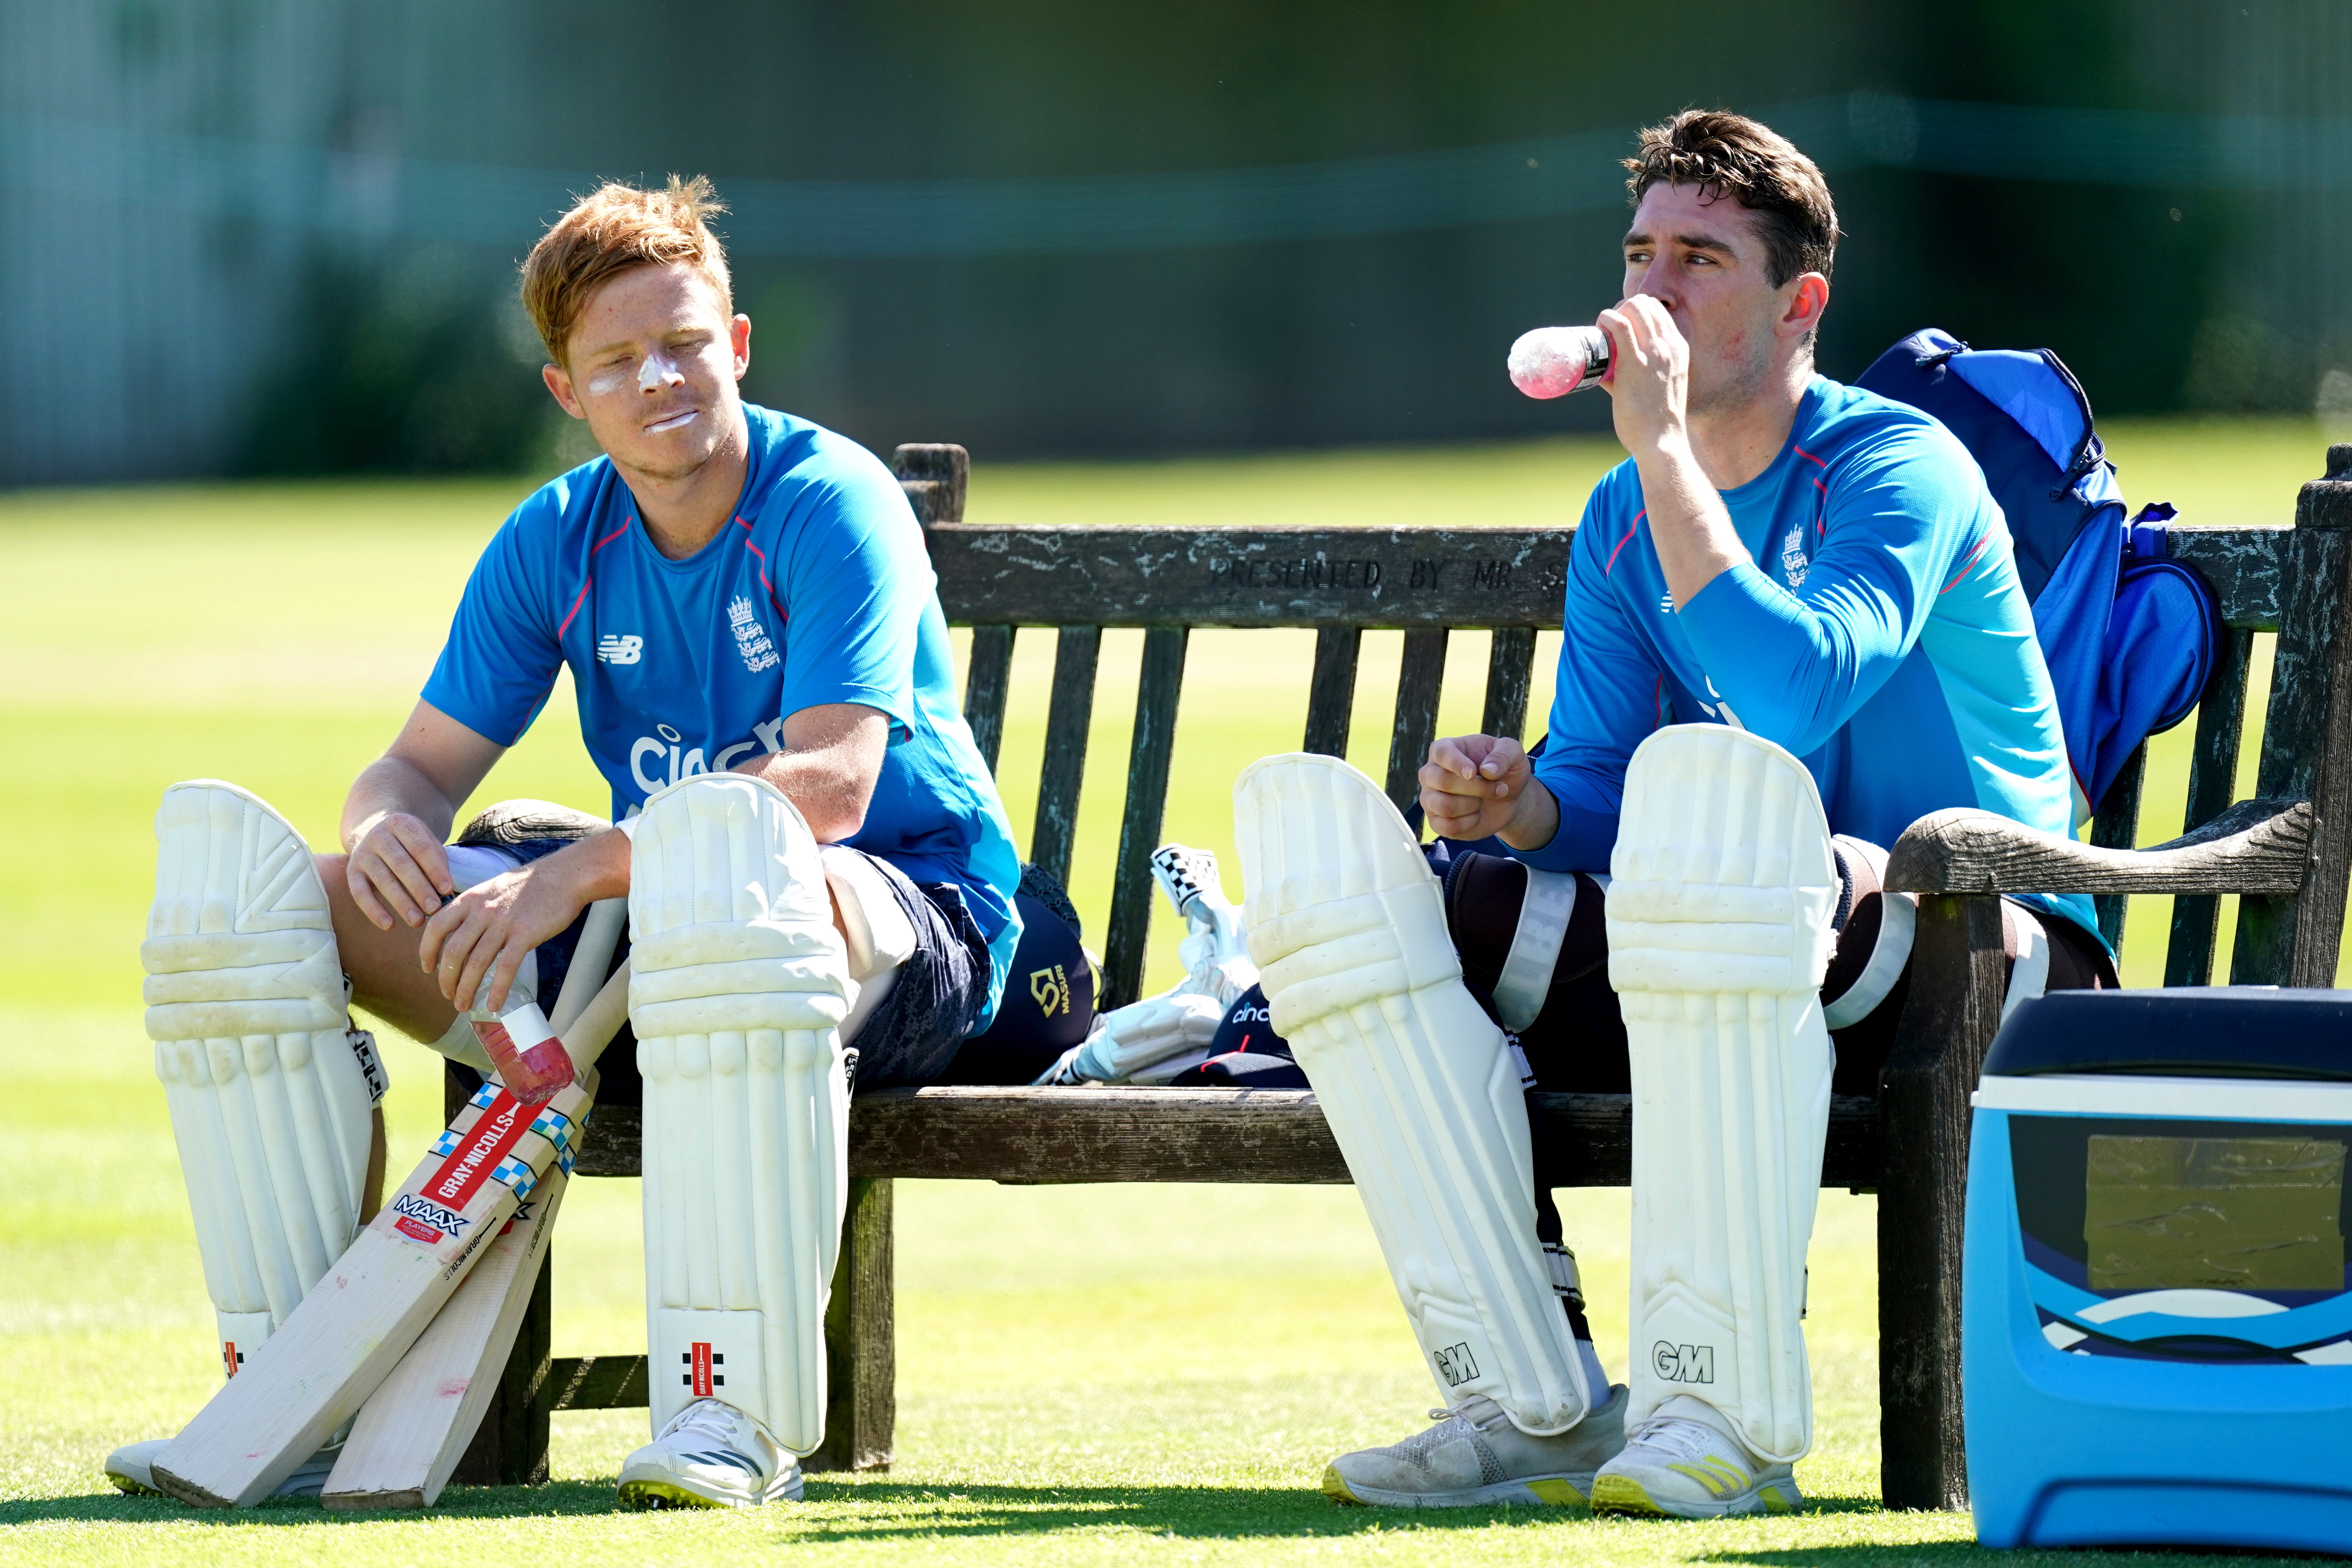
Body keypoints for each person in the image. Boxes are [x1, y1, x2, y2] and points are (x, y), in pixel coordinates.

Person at [1233, 110, 2114, 1518]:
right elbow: (1596, 783)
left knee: (1720, 819)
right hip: (1745, 927)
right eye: (1638, 252)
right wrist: (1519, 809)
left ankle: (1723, 1413)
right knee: (1401, 901)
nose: (1649, 290)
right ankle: (1528, 1401)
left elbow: (1788, 693)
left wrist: (1662, 452)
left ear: (1796, 302)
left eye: (1698, 259)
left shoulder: (1899, 469)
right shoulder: (1620, 511)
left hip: (1991, 955)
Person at [112, 177, 1026, 1510]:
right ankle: (288, 1392)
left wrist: (580, 870)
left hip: (914, 923)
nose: (659, 378)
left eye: (685, 344)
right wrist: (387, 840)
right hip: (669, 946)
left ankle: (729, 1413)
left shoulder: (831, 497)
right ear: (566, 391)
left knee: (734, 889)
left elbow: (827, 789)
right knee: (257, 918)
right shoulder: (560, 536)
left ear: (740, 344)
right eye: (618, 361)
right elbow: (415, 767)